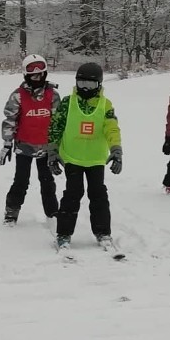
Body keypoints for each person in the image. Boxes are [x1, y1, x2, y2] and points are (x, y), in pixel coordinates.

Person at [46, 62, 123, 249]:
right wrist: (52, 151)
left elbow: (112, 128)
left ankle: (103, 232)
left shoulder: (105, 105)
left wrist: (116, 149)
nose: (85, 88)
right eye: (82, 83)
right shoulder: (67, 103)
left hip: (96, 159)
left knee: (98, 195)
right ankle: (64, 234)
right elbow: (56, 127)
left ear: (99, 84)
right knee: (72, 194)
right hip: (73, 158)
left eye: (90, 84)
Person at [0, 53, 60, 225]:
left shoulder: (52, 95)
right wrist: (7, 144)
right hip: (24, 146)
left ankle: (52, 212)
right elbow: (10, 120)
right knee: (21, 181)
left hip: (46, 147)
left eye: (40, 75)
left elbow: (58, 122)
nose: (37, 79)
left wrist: (58, 147)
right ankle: (11, 212)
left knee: (47, 181)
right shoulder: (18, 96)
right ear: (26, 76)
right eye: (33, 76)